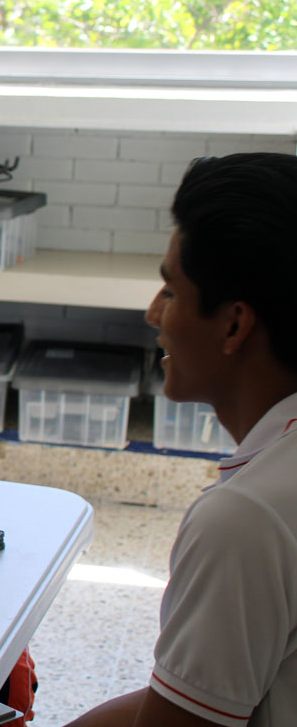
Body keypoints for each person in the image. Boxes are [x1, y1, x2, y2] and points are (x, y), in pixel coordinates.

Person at [66, 153, 297, 727]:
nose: (153, 313)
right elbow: (193, 695)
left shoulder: (246, 520)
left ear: (234, 325)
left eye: (170, 291)